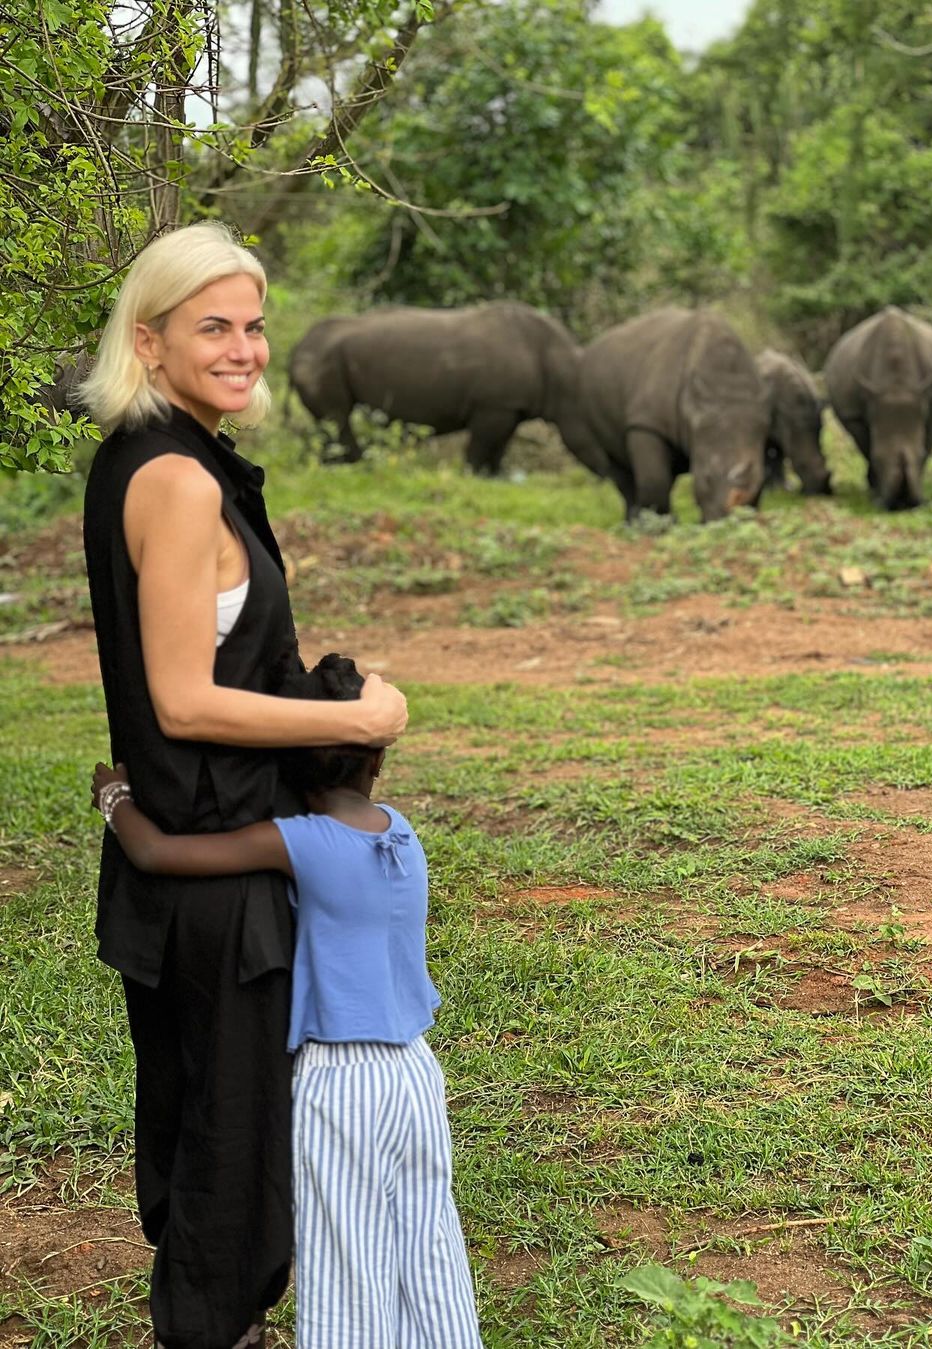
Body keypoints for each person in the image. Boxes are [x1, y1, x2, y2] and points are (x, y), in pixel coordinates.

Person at [79, 222, 409, 1349]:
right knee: (231, 1159)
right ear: (150, 338)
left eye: (255, 324)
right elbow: (180, 699)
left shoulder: (154, 454)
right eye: (213, 326)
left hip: (183, 859)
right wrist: (352, 718)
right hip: (217, 881)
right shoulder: (175, 479)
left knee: (199, 1138)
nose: (244, 348)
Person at [92, 653, 483, 1349]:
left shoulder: (300, 842)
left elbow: (158, 855)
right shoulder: (399, 832)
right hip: (416, 1076)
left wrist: (114, 797)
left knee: (346, 1270)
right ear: (377, 764)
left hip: (343, 1084)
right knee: (428, 1252)